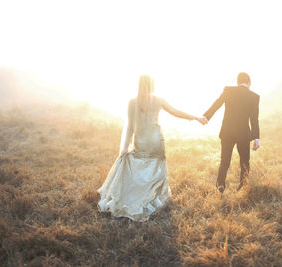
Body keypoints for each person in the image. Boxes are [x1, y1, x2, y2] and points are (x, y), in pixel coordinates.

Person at [98, 75, 206, 221]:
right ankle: (150, 201)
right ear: (152, 84)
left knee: (138, 166)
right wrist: (196, 117)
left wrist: (124, 147)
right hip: (155, 139)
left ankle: (136, 197)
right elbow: (176, 112)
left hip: (140, 139)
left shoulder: (132, 102)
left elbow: (130, 126)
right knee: (157, 170)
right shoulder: (158, 100)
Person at [203, 72, 260, 193]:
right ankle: (243, 185)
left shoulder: (228, 91)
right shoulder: (254, 97)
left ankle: (220, 183)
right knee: (245, 161)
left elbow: (217, 104)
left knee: (225, 160)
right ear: (249, 83)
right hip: (243, 133)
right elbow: (254, 119)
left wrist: (206, 117)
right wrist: (256, 138)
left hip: (227, 132)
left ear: (237, 82)